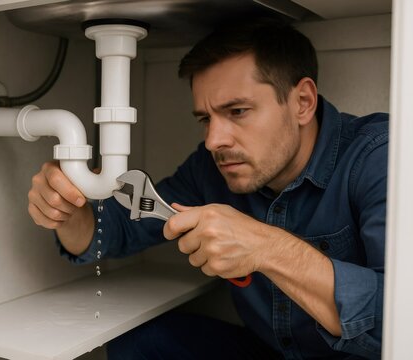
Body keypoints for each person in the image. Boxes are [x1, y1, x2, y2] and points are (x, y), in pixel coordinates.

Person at [28, 18, 386, 360]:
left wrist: (266, 246)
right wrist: (70, 213)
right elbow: (117, 230)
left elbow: (406, 320)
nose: (214, 140)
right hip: (268, 350)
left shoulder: (377, 158)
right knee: (141, 345)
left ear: (302, 102)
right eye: (205, 118)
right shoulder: (211, 169)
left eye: (238, 111)